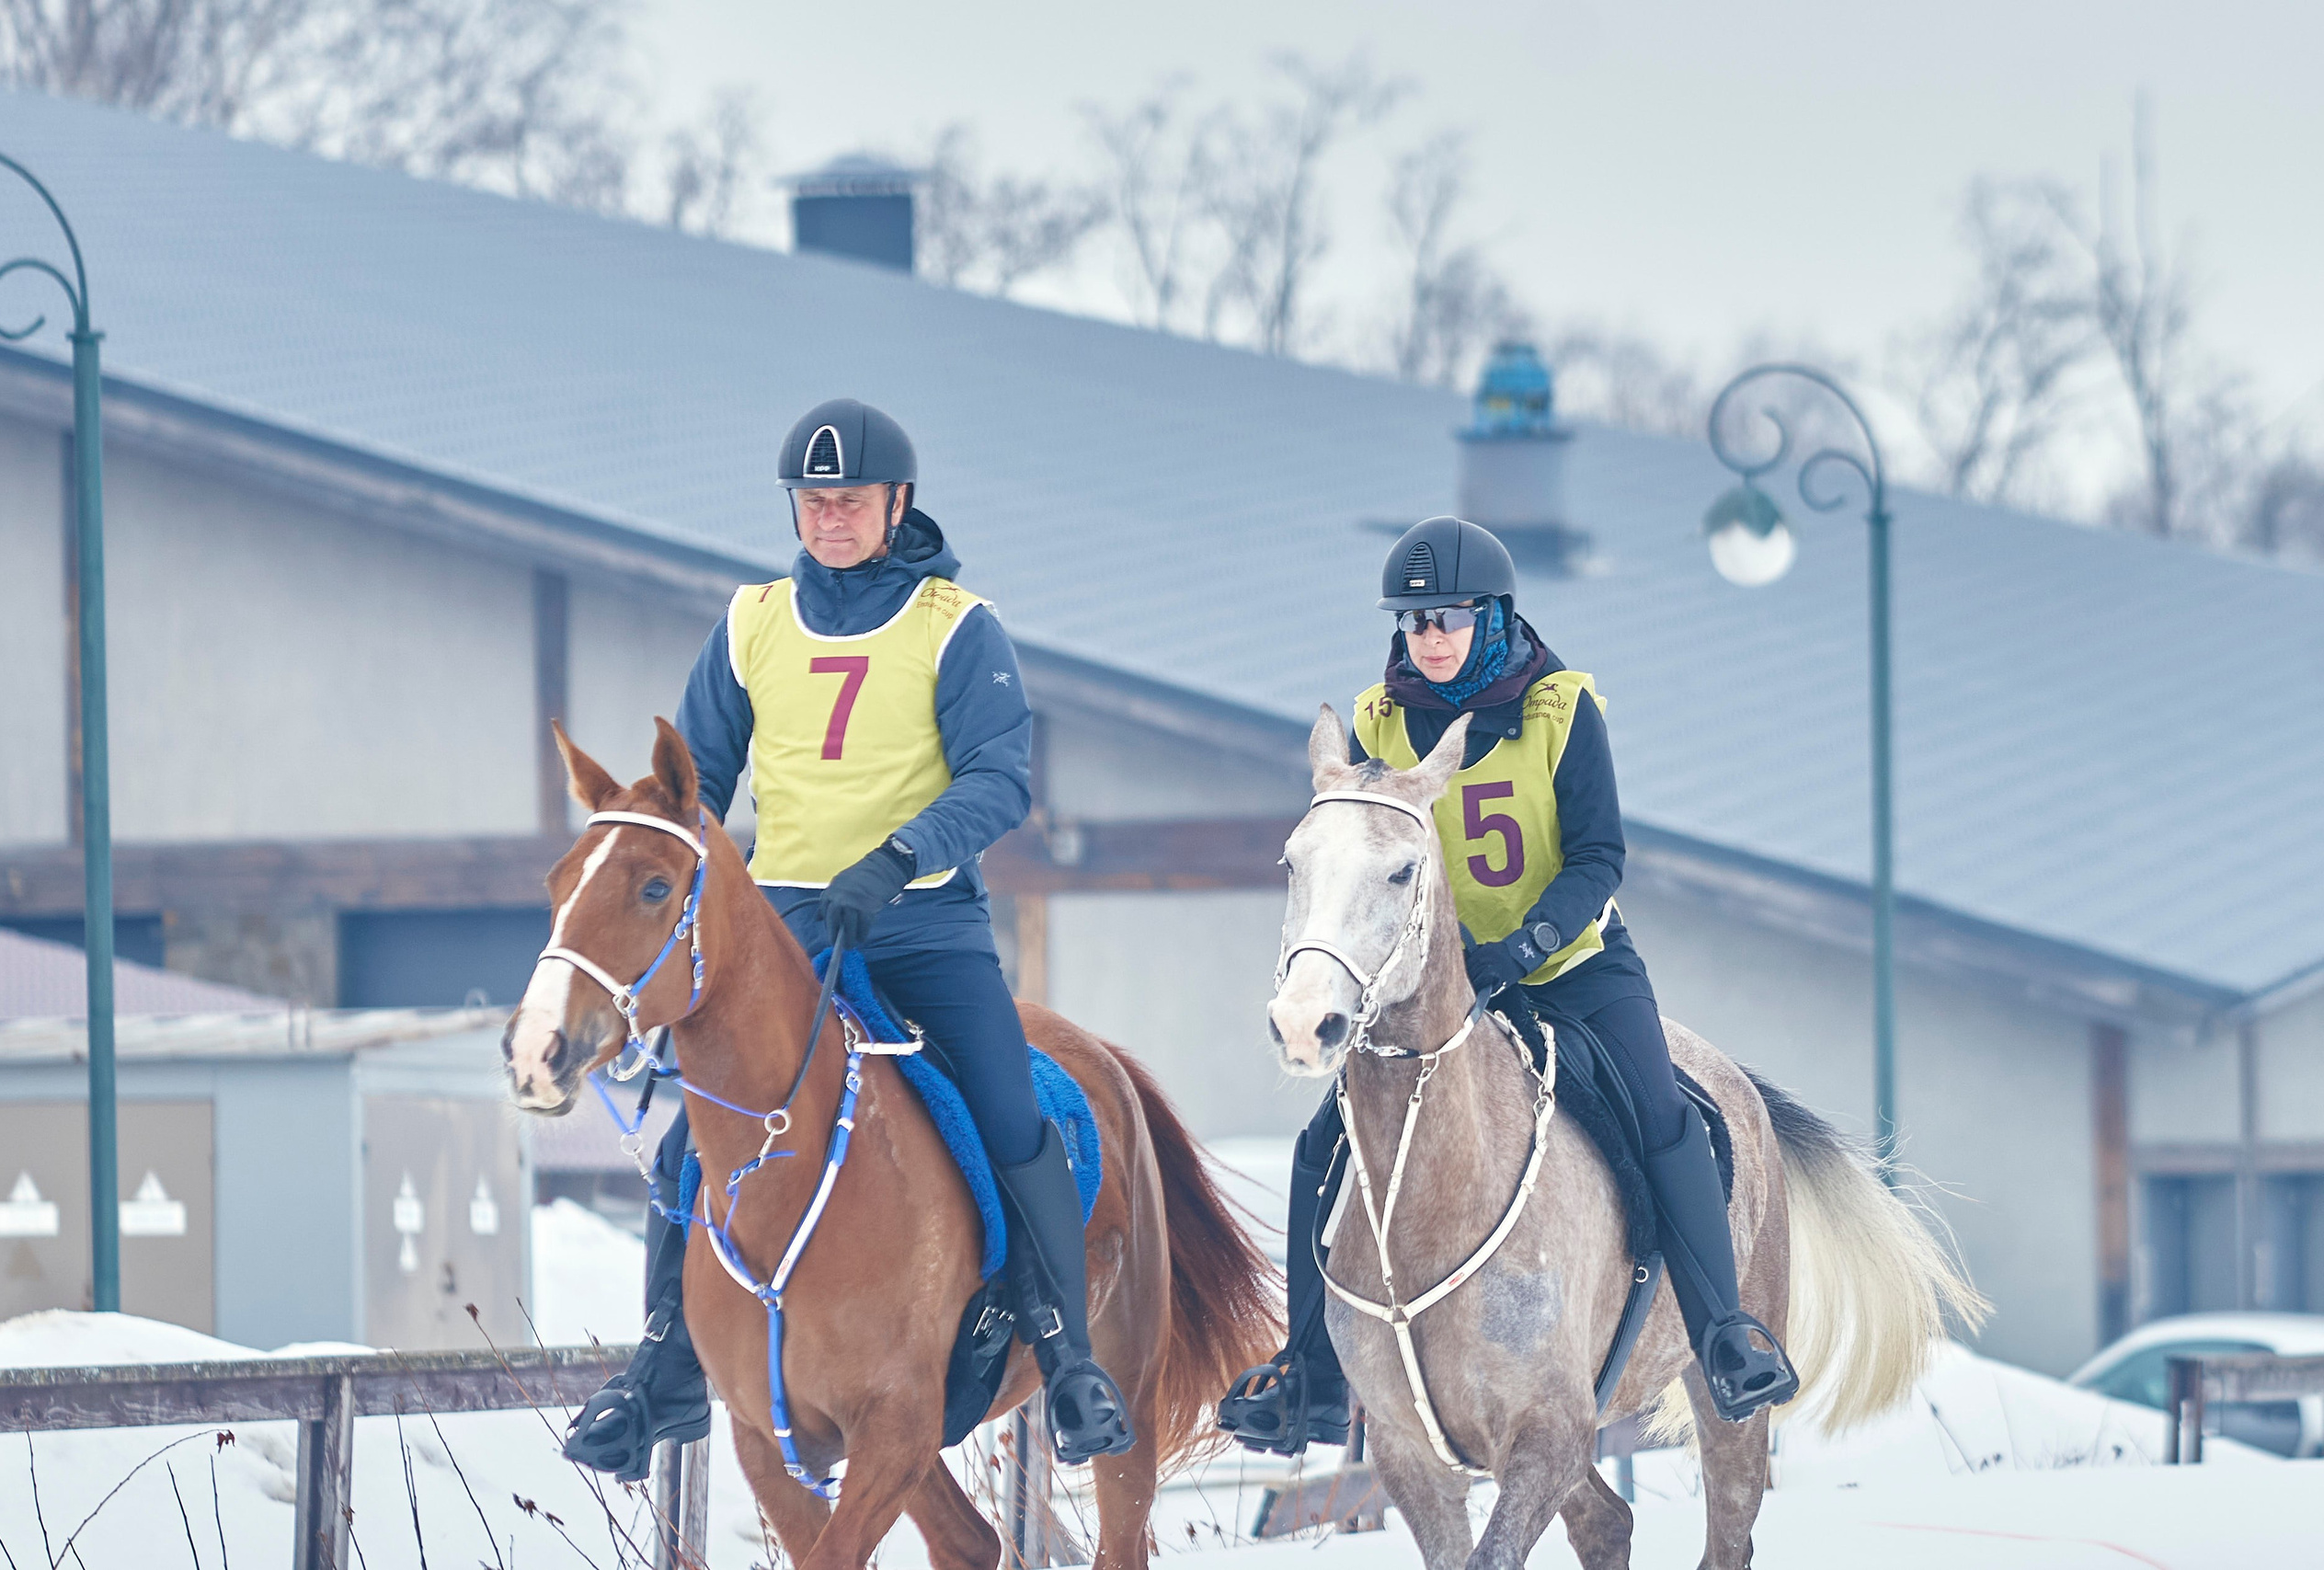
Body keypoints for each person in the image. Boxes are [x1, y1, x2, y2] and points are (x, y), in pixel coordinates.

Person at [562, 398, 1134, 1481]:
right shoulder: (749, 624)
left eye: (852, 502)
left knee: (1008, 1107)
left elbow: (1000, 779)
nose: (830, 518)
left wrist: (900, 856)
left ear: (896, 506)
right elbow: (700, 793)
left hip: (922, 922)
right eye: (815, 502)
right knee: (697, 1136)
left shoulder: (956, 625)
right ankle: (661, 1374)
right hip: (780, 928)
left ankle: (1065, 1360)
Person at [1216, 515, 1799, 1455]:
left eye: (1446, 617)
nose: (1429, 639)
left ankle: (1725, 1334)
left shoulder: (1563, 710)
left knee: (1661, 1117)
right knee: (1322, 1146)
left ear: (1492, 616)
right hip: (1434, 993)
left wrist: (1518, 949)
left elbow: (1600, 858)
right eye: (1412, 622)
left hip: (1570, 967)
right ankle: (1308, 1376)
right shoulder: (1378, 719)